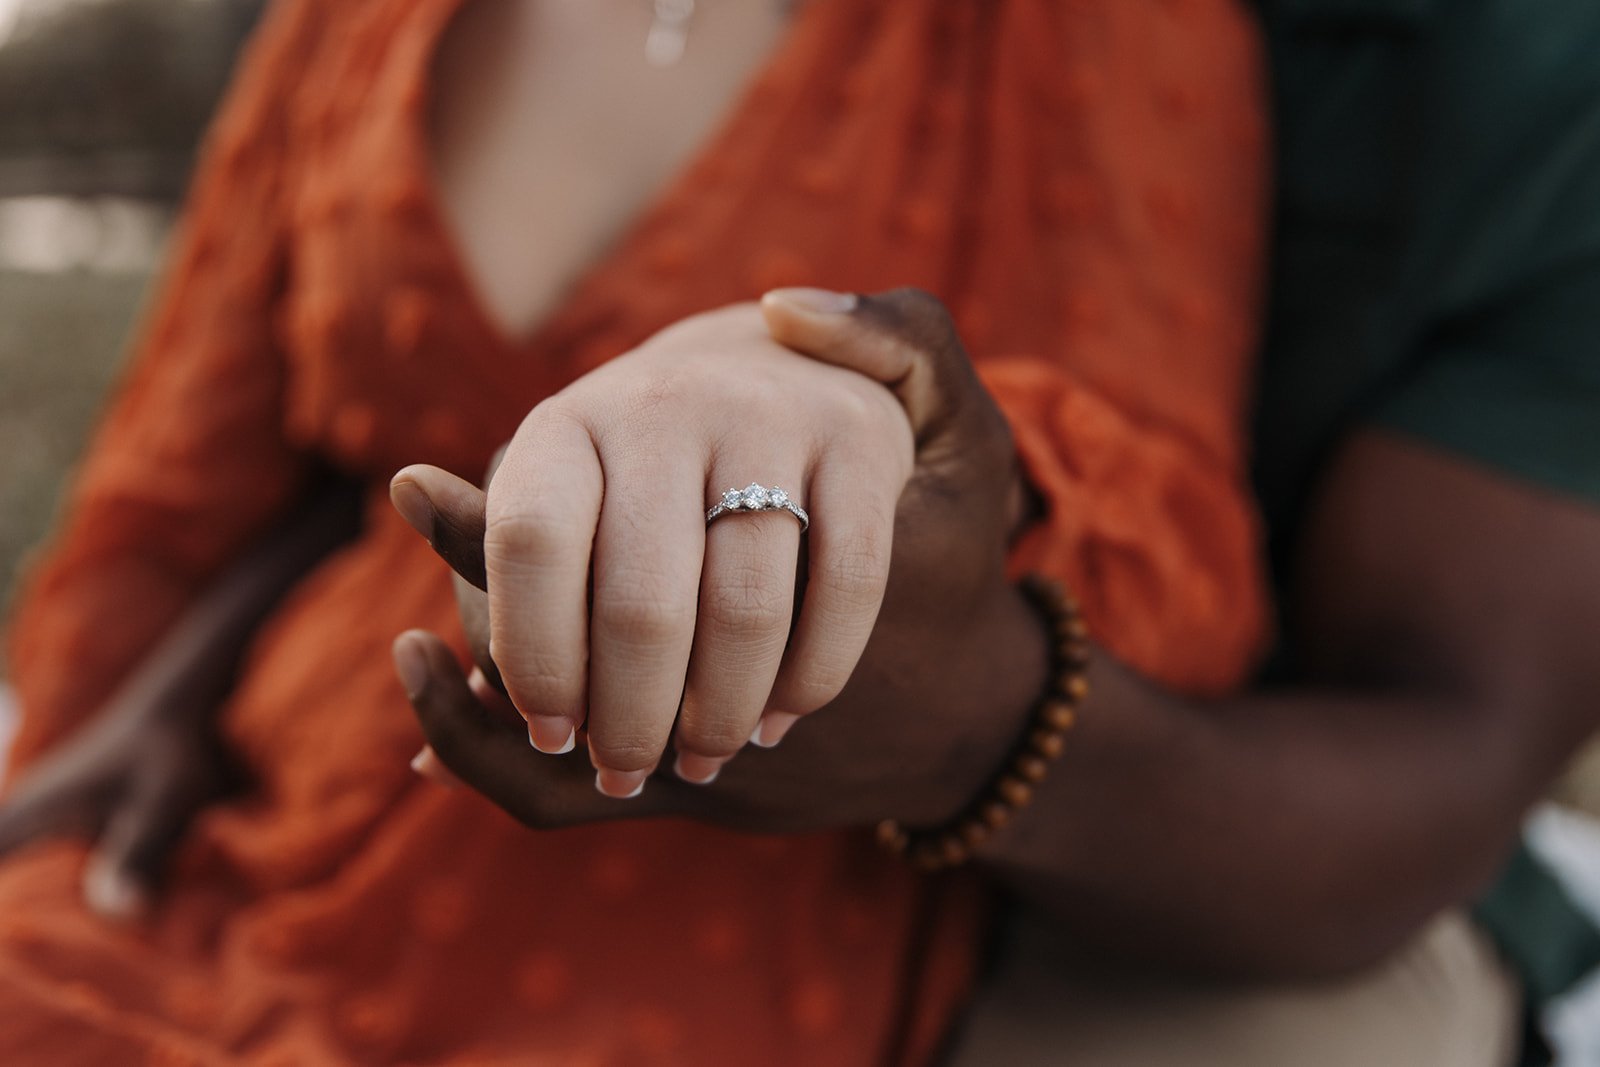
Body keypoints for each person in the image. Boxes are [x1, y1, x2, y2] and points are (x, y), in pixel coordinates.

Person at [0, 2, 1596, 1067]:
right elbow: (187, 477)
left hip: (682, 930)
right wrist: (134, 709)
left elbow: (1166, 546)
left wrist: (841, 439)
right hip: (231, 847)